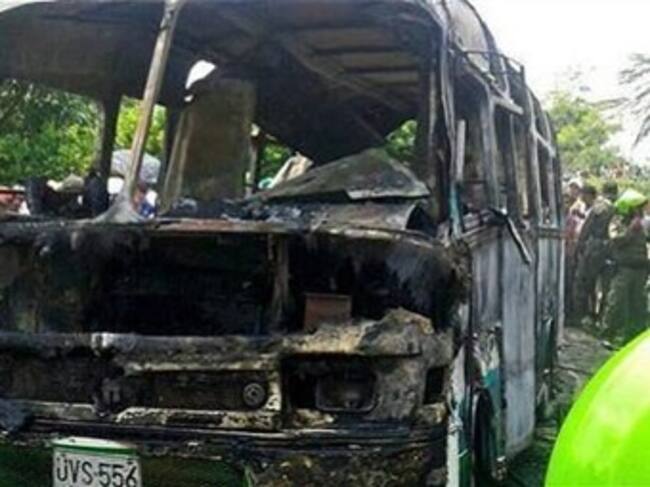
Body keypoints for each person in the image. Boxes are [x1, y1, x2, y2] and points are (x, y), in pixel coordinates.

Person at [602, 189, 649, 344]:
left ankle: (633, 338)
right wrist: (630, 231)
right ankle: (608, 334)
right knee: (616, 302)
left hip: (641, 269)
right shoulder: (618, 223)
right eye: (638, 208)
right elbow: (616, 240)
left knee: (639, 306)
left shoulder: (644, 223)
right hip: (624, 269)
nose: (640, 211)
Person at [572, 183, 617, 327]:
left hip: (595, 248)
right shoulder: (618, 208)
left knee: (585, 282)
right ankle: (602, 320)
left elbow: (587, 227)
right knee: (606, 287)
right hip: (611, 250)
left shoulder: (599, 207)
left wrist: (579, 246)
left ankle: (584, 317)